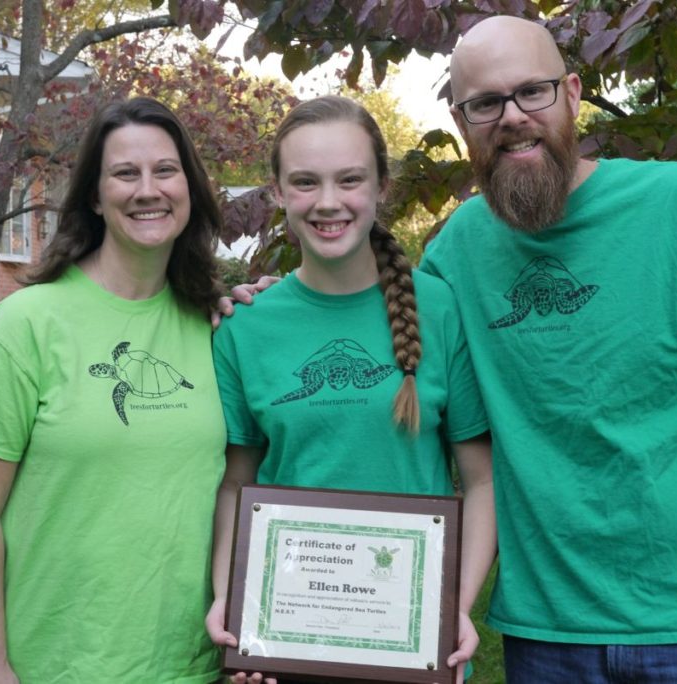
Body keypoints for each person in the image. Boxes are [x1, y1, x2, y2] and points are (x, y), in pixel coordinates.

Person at [418, 15, 677, 684]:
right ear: (463, 120)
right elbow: (370, 346)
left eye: (533, 92)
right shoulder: (453, 257)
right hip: (546, 636)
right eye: (485, 103)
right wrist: (255, 305)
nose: (512, 117)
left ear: (573, 93)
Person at [0, 97, 227, 683]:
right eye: (124, 173)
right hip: (57, 661)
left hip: (189, 664)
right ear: (94, 195)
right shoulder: (29, 324)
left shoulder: (217, 326)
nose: (148, 189)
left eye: (165, 170)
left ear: (189, 188)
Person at [204, 95, 496, 684]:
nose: (329, 202)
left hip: (412, 639)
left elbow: (483, 480)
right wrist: (228, 599)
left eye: (350, 179)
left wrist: (453, 609)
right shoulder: (246, 326)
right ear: (278, 192)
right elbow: (237, 484)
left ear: (381, 185)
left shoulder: (437, 308)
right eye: (306, 182)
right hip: (286, 636)